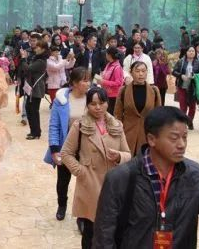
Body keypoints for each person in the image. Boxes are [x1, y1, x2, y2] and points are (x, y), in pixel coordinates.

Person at [93, 107, 199, 248]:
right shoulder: (120, 178)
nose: (182, 144)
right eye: (174, 138)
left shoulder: (194, 175)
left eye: (185, 137)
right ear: (151, 139)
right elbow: (103, 238)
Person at [61, 87, 131, 249]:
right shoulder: (79, 126)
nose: (98, 107)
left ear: (107, 103)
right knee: (91, 232)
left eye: (102, 103)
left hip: (113, 186)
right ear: (87, 105)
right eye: (93, 104)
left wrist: (119, 156)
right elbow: (66, 153)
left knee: (114, 231)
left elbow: (128, 154)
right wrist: (81, 171)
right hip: (90, 185)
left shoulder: (117, 125)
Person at [44, 67, 91, 221]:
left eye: (89, 80)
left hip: (87, 147)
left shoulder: (92, 99)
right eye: (84, 80)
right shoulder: (61, 100)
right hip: (67, 147)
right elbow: (54, 126)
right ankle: (62, 205)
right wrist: (54, 149)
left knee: (85, 181)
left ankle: (82, 214)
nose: (88, 83)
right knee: (63, 180)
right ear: (75, 83)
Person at [114, 61, 161, 156]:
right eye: (137, 71)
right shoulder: (124, 90)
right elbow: (117, 114)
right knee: (127, 162)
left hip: (146, 135)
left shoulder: (154, 91)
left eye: (143, 71)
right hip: (127, 134)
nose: (141, 74)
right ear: (131, 72)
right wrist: (118, 132)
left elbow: (158, 115)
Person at [20, 39, 49, 140]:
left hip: (36, 89)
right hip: (32, 88)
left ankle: (36, 132)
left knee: (33, 110)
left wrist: (23, 58)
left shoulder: (41, 61)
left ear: (43, 49)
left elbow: (28, 69)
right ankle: (34, 131)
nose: (35, 49)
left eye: (38, 47)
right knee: (29, 109)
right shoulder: (37, 58)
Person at [172, 46, 199, 129]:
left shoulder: (198, 63)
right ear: (186, 52)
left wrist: (195, 76)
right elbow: (174, 72)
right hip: (182, 87)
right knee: (183, 106)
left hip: (193, 87)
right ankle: (183, 123)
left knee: (192, 107)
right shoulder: (181, 61)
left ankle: (189, 121)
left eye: (193, 51)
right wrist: (181, 76)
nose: (191, 52)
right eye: (190, 51)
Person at [95, 47, 124, 115]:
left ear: (109, 55)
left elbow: (118, 83)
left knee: (111, 114)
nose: (105, 55)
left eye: (106, 54)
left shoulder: (117, 67)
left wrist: (103, 82)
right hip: (107, 93)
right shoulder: (109, 64)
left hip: (113, 96)